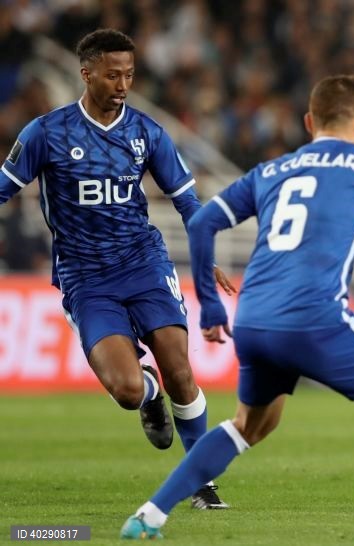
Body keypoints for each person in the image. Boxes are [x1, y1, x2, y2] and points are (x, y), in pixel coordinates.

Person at [120, 74, 354, 542]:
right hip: (313, 316)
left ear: (308, 122)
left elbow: (202, 225)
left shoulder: (272, 170)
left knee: (249, 425)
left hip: (254, 320)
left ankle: (149, 516)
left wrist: (212, 306)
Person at [0, 29, 235, 509]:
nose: (123, 84)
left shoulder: (147, 132)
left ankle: (200, 481)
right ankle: (148, 397)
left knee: (180, 368)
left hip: (143, 262)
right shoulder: (47, 133)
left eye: (129, 74)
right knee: (127, 389)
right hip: (85, 277)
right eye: (113, 74)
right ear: (86, 74)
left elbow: (187, 199)